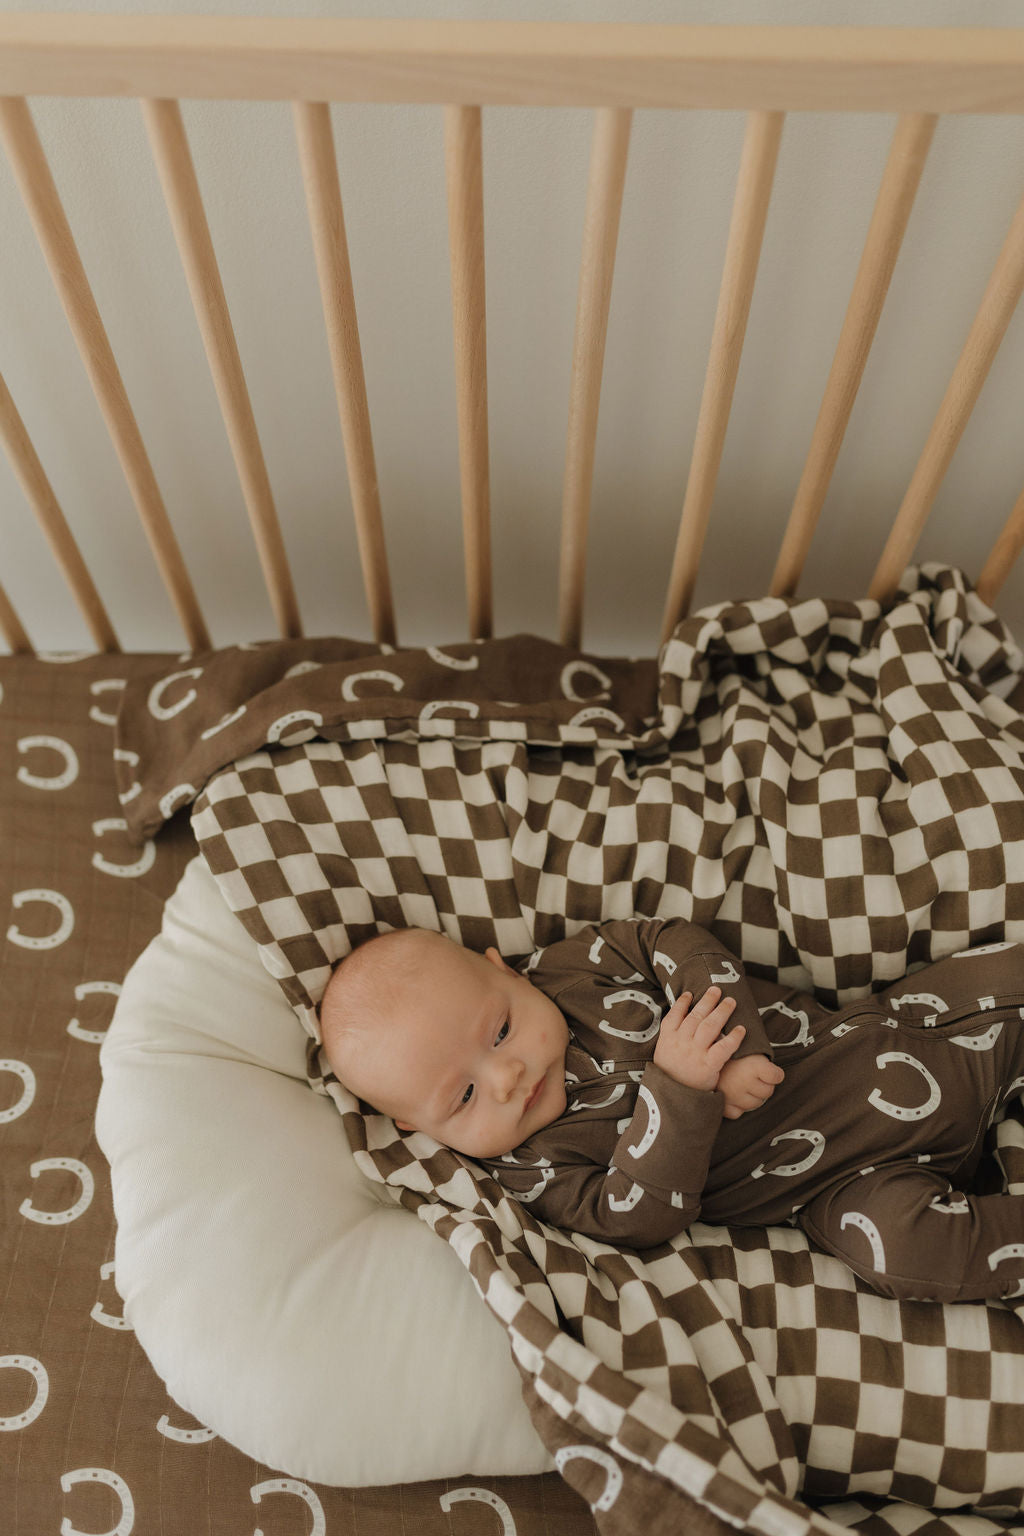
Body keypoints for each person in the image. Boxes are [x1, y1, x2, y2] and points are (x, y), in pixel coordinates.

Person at [319, 917, 1024, 1302]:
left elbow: (669, 941)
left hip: (887, 1033)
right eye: (464, 1097)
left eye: (500, 1030)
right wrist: (678, 1089)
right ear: (417, 1125)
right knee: (907, 1257)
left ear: (504, 969)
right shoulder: (530, 1169)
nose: (506, 1075)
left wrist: (739, 1040)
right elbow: (634, 1215)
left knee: (1006, 980)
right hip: (837, 1186)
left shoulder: (574, 969)